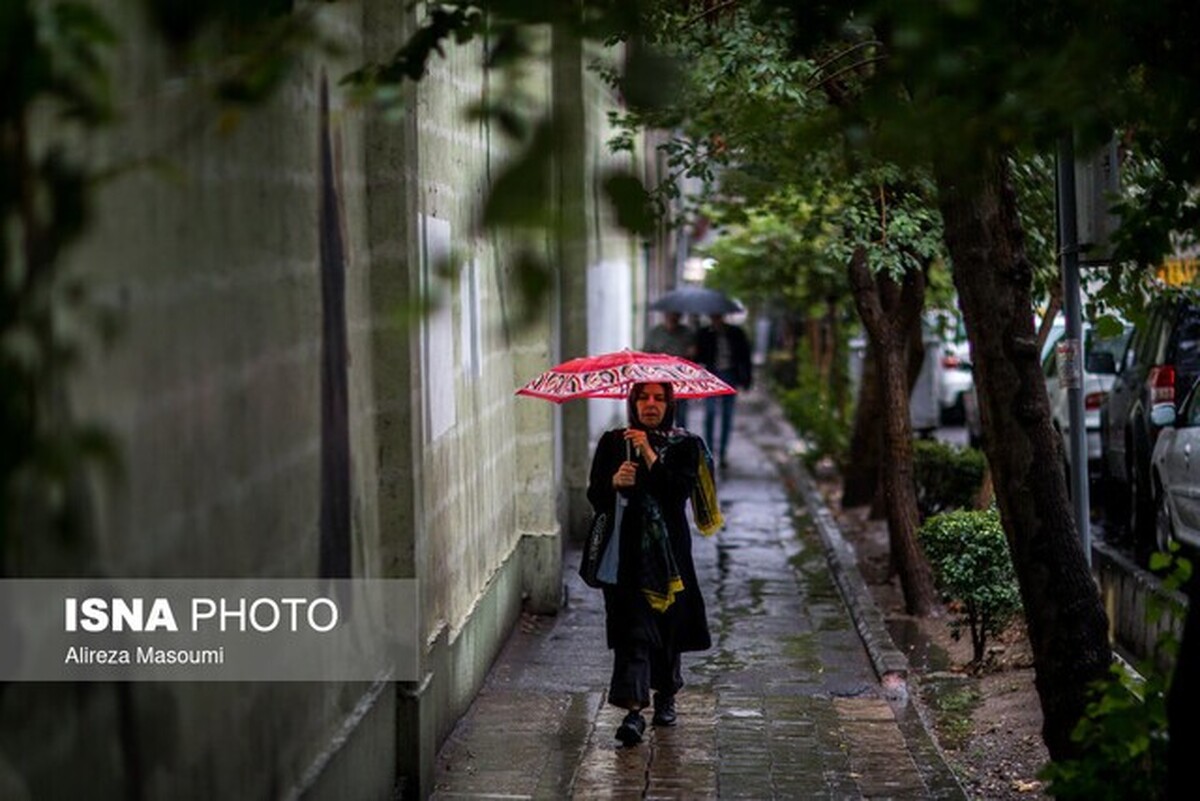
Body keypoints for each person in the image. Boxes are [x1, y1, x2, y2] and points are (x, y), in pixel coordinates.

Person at [587, 382, 718, 745]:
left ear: (670, 404)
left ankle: (666, 696)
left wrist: (648, 452)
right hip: (627, 555)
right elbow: (594, 495)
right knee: (634, 632)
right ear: (632, 402)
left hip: (670, 557)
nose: (650, 405)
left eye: (659, 399)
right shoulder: (614, 443)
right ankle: (633, 712)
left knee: (669, 628)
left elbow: (676, 492)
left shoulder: (686, 445)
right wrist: (614, 482)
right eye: (643, 398)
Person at [696, 313, 753, 468]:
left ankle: (723, 452)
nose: (716, 319)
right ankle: (708, 452)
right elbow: (699, 356)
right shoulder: (704, 333)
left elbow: (745, 356)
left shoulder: (736, 333)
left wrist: (746, 379)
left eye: (719, 316)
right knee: (710, 412)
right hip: (711, 375)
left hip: (730, 375)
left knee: (727, 415)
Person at [644, 311, 697, 428]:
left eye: (676, 315)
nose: (673, 317)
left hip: (681, 378)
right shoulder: (655, 333)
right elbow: (646, 353)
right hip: (660, 378)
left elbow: (694, 356)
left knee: (681, 413)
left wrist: (692, 352)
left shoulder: (687, 333)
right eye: (670, 314)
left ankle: (681, 441)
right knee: (663, 411)